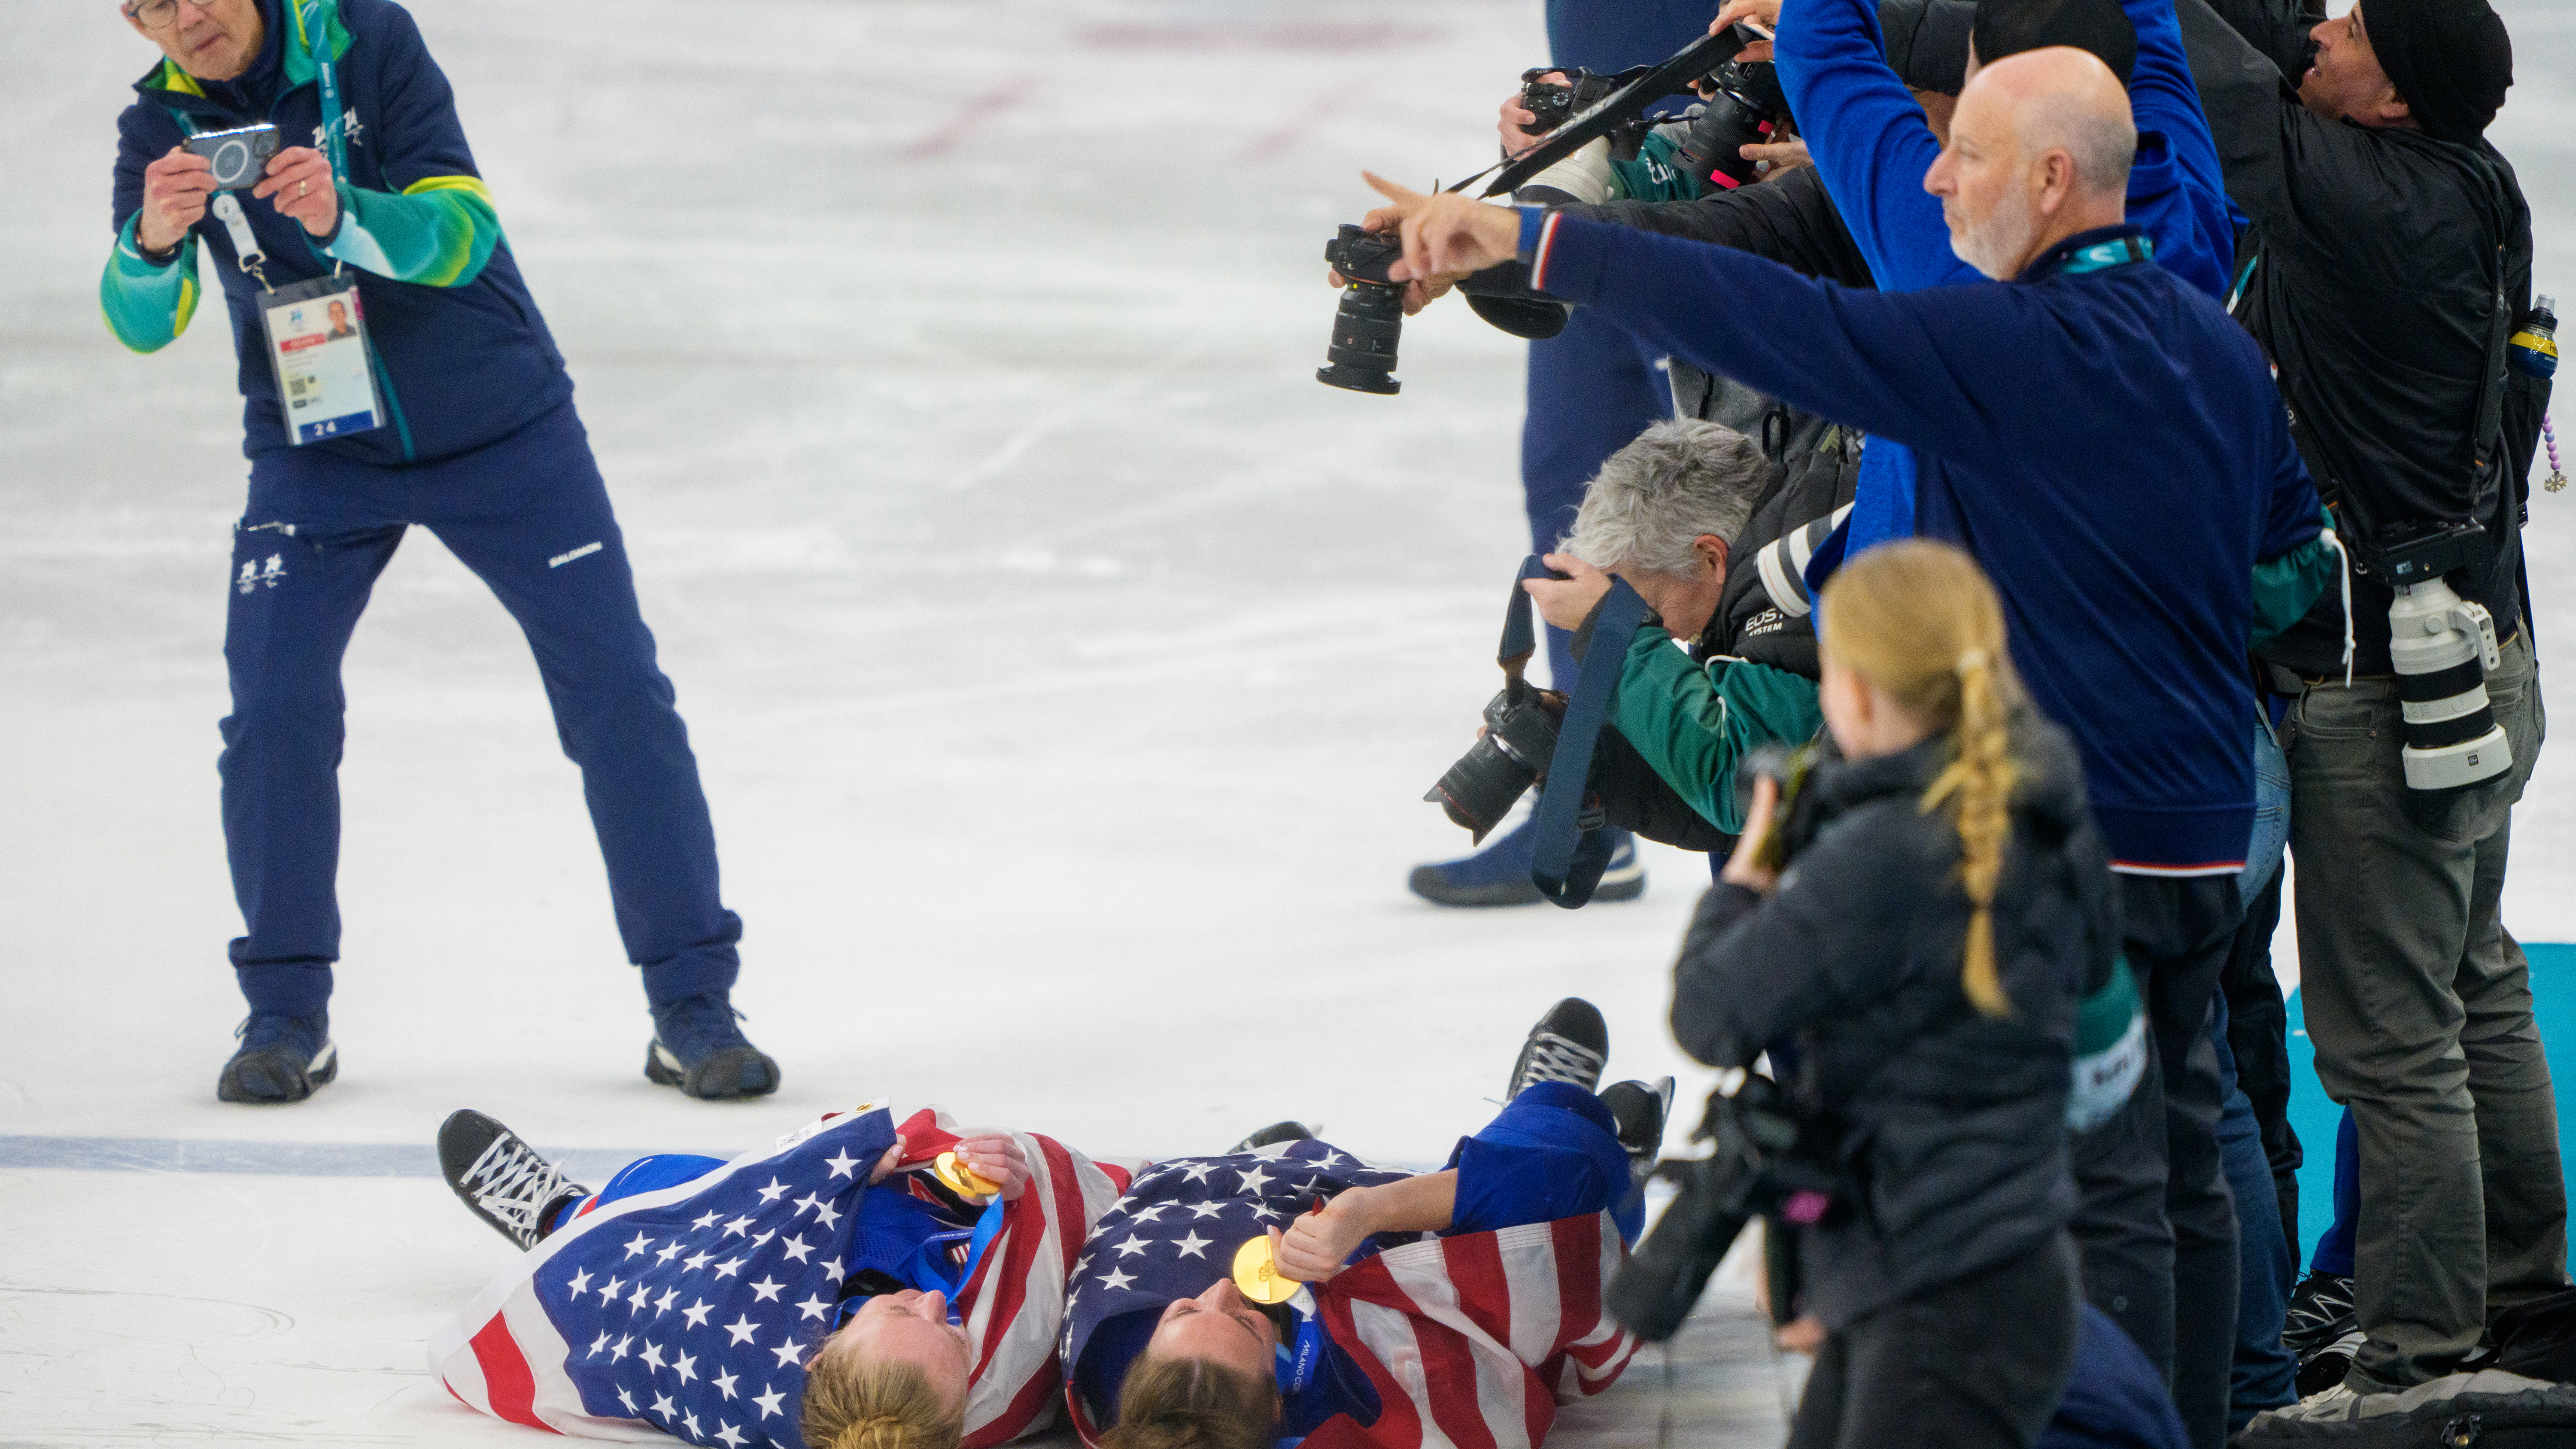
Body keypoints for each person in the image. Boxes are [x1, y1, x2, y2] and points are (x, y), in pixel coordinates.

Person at [103, 0, 775, 1101]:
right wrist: (152, 241)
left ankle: (692, 1002)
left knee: (619, 696)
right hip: (317, 453)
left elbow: (462, 235)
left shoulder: (367, 40)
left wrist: (348, 212)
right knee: (273, 709)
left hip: (503, 433)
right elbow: (137, 319)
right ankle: (284, 1012)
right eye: (149, 9)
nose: (185, 21)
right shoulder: (156, 131)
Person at [2184, 0, 2570, 1404]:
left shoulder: (2342, 191)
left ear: (2394, 98)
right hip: (2486, 654)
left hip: (2376, 694)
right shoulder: (2474, 176)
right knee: (2479, 984)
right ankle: (2527, 1304)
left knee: (2390, 1042)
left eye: (2346, 25)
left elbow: (2200, 49)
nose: (2318, 29)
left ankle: (2415, 1362)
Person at [1668, 540, 2107, 1449]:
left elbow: (1708, 1013)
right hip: (2003, 1265)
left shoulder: (1880, 860)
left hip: (1932, 1299)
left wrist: (1748, 872)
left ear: (1857, 690)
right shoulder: (2047, 807)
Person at [1401, 0, 1712, 908]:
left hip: (1707, 186)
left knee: (1733, 478)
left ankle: (1791, 819)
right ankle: (1585, 794)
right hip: (1594, 167)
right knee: (1574, 474)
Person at [1063, 999, 1668, 1449]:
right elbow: (1566, 1194)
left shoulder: (1113, 1350)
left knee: (1267, 1179)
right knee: (1587, 1196)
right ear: (1278, 1405)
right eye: (1249, 1326)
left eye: (1184, 1311)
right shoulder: (1382, 1397)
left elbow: (1123, 1205)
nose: (1223, 1290)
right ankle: (1555, 1118)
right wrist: (1372, 1212)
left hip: (1274, 1199)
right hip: (1439, 1268)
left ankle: (1270, 1158)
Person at [428, 1103, 1136, 1448]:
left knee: (657, 1227)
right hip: (895, 1235)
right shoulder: (951, 1397)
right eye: (951, 1331)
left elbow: (635, 1314)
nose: (927, 1302)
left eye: (895, 1315)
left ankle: (562, 1219)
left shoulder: (723, 1348)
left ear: (819, 1352)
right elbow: (967, 1264)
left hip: (690, 1274)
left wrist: (836, 1176)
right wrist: (959, 1182)